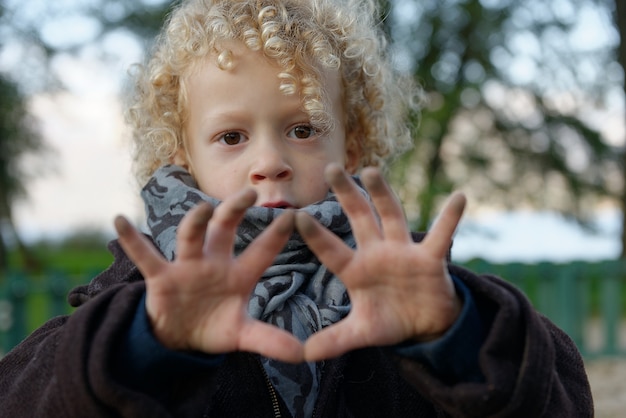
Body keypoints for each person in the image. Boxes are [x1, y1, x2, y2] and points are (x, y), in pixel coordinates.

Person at [0, 0, 593, 416]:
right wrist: (144, 347)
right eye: (232, 137)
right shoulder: (144, 296)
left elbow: (561, 398)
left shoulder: (411, 285)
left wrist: (454, 333)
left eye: (303, 128)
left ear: (352, 143)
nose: (270, 161)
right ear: (184, 155)